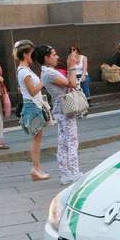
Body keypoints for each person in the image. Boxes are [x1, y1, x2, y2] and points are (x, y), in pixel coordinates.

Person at [36, 44, 82, 185]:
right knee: (72, 141)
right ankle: (74, 173)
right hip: (65, 109)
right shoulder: (50, 73)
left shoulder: (47, 72)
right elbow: (72, 83)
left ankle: (65, 174)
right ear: (46, 57)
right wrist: (72, 66)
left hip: (60, 109)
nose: (57, 57)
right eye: (54, 54)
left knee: (63, 143)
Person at [15, 40, 50, 182]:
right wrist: (43, 81)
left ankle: (37, 168)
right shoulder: (24, 72)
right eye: (31, 54)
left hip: (32, 106)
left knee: (37, 140)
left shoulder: (23, 70)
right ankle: (35, 169)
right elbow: (33, 91)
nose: (33, 57)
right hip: (32, 107)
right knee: (37, 140)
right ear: (25, 54)